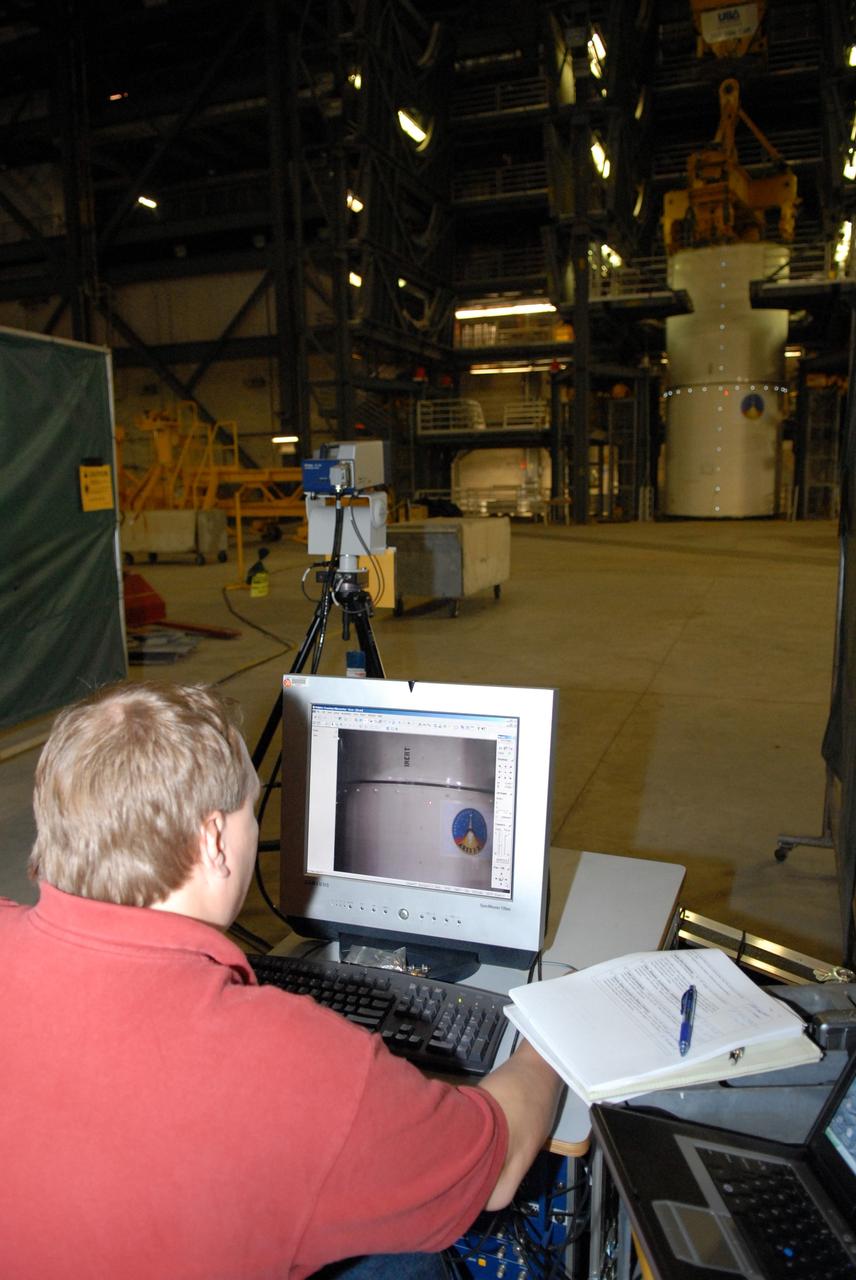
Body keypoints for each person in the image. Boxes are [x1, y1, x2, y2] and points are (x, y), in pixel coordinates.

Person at [0, 683, 563, 1280]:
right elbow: (496, 1169)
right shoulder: (295, 1062)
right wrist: (548, 1039)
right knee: (411, 1252)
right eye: (252, 810)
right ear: (214, 841)